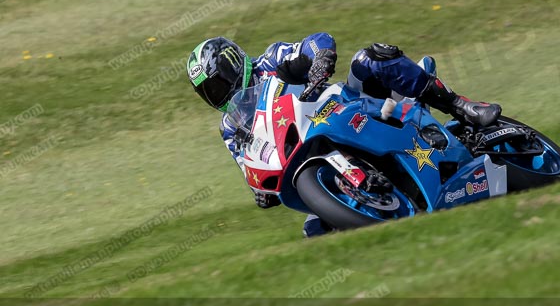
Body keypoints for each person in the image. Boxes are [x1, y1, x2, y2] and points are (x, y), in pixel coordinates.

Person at [186, 34, 501, 236]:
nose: (217, 94)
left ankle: (460, 105)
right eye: (208, 92)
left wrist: (320, 59)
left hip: (345, 107)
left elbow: (317, 41)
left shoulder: (270, 60)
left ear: (233, 64)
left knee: (370, 57)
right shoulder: (230, 127)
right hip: (306, 158)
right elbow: (247, 164)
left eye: (218, 82)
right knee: (315, 234)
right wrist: (261, 192)